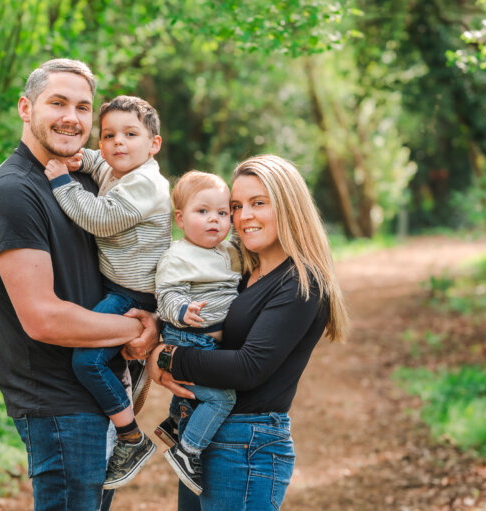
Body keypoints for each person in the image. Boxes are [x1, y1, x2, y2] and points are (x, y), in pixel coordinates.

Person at [0, 59, 159, 511]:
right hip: (58, 404)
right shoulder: (12, 192)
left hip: (96, 394)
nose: (71, 117)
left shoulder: (78, 180)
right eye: (57, 103)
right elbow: (43, 318)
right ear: (25, 107)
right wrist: (138, 332)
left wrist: (151, 322)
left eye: (83, 107)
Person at [147, 154, 349, 510]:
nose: (243, 217)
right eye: (236, 206)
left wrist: (168, 357)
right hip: (206, 435)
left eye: (258, 203)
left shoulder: (301, 283)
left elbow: (247, 368)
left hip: (247, 444)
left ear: (288, 207)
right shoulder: (239, 272)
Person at [42, 95, 171, 489]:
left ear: (154, 144)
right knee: (98, 362)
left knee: (87, 362)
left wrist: (62, 180)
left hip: (134, 295)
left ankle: (131, 436)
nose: (118, 143)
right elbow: (104, 169)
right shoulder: (122, 169)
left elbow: (99, 217)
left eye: (131, 134)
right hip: (120, 284)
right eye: (109, 135)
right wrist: (87, 161)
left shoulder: (146, 184)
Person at [153, 171, 241, 495]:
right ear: (180, 218)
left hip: (206, 341)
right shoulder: (179, 255)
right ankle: (187, 451)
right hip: (189, 337)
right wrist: (182, 310)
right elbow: (166, 295)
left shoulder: (228, 251)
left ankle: (175, 425)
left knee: (192, 396)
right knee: (222, 399)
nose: (213, 220)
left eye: (222, 213)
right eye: (202, 212)